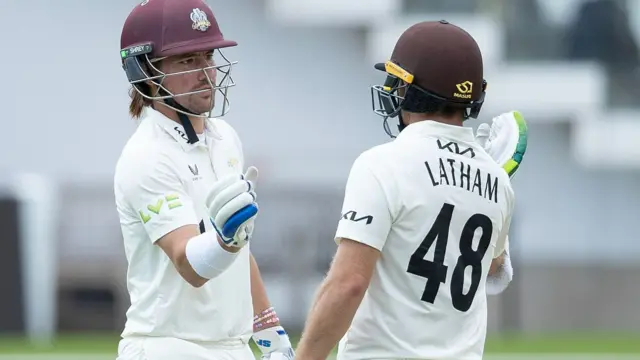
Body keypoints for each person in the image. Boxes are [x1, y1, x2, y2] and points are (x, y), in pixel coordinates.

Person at [294, 20, 526, 360]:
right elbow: (493, 269)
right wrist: (484, 172)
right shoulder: (498, 181)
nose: (394, 91)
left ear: (414, 92)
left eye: (399, 83)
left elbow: (349, 284)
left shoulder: (381, 164)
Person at [113, 1, 294, 359]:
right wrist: (224, 239)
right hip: (167, 347)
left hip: (232, 346)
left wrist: (270, 331)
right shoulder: (147, 156)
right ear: (145, 72)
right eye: (187, 61)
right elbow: (190, 266)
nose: (206, 72)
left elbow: (240, 247)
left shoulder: (225, 137)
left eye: (207, 56)